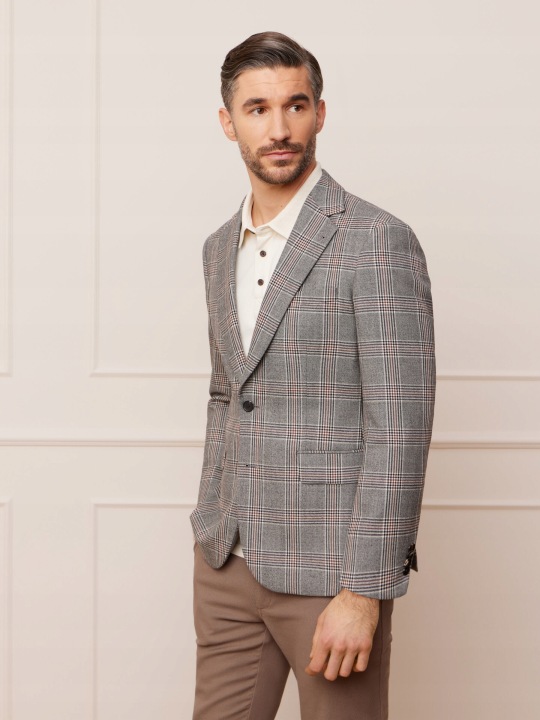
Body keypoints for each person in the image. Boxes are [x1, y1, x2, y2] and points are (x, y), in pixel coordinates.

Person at [190, 31, 436, 720]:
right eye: (258, 109)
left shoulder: (376, 240)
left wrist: (366, 588)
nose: (279, 128)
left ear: (319, 113)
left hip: (333, 574)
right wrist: (212, 520)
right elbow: (227, 393)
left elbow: (400, 426)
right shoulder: (217, 248)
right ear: (228, 122)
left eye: (295, 106)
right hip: (227, 561)